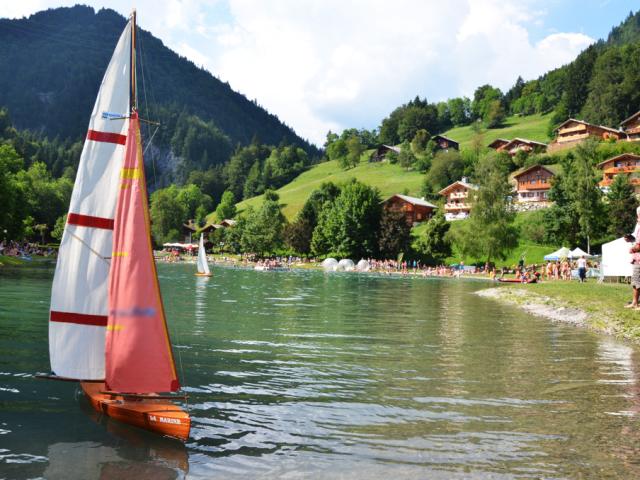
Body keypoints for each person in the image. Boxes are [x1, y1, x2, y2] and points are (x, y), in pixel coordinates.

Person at [624, 206, 640, 308]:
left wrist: (633, 249)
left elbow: (639, 244)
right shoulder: (638, 225)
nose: (637, 217)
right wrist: (630, 239)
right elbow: (636, 239)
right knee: (635, 281)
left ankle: (636, 304)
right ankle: (635, 302)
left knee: (638, 281)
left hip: (639, 257)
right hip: (637, 258)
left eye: (638, 215)